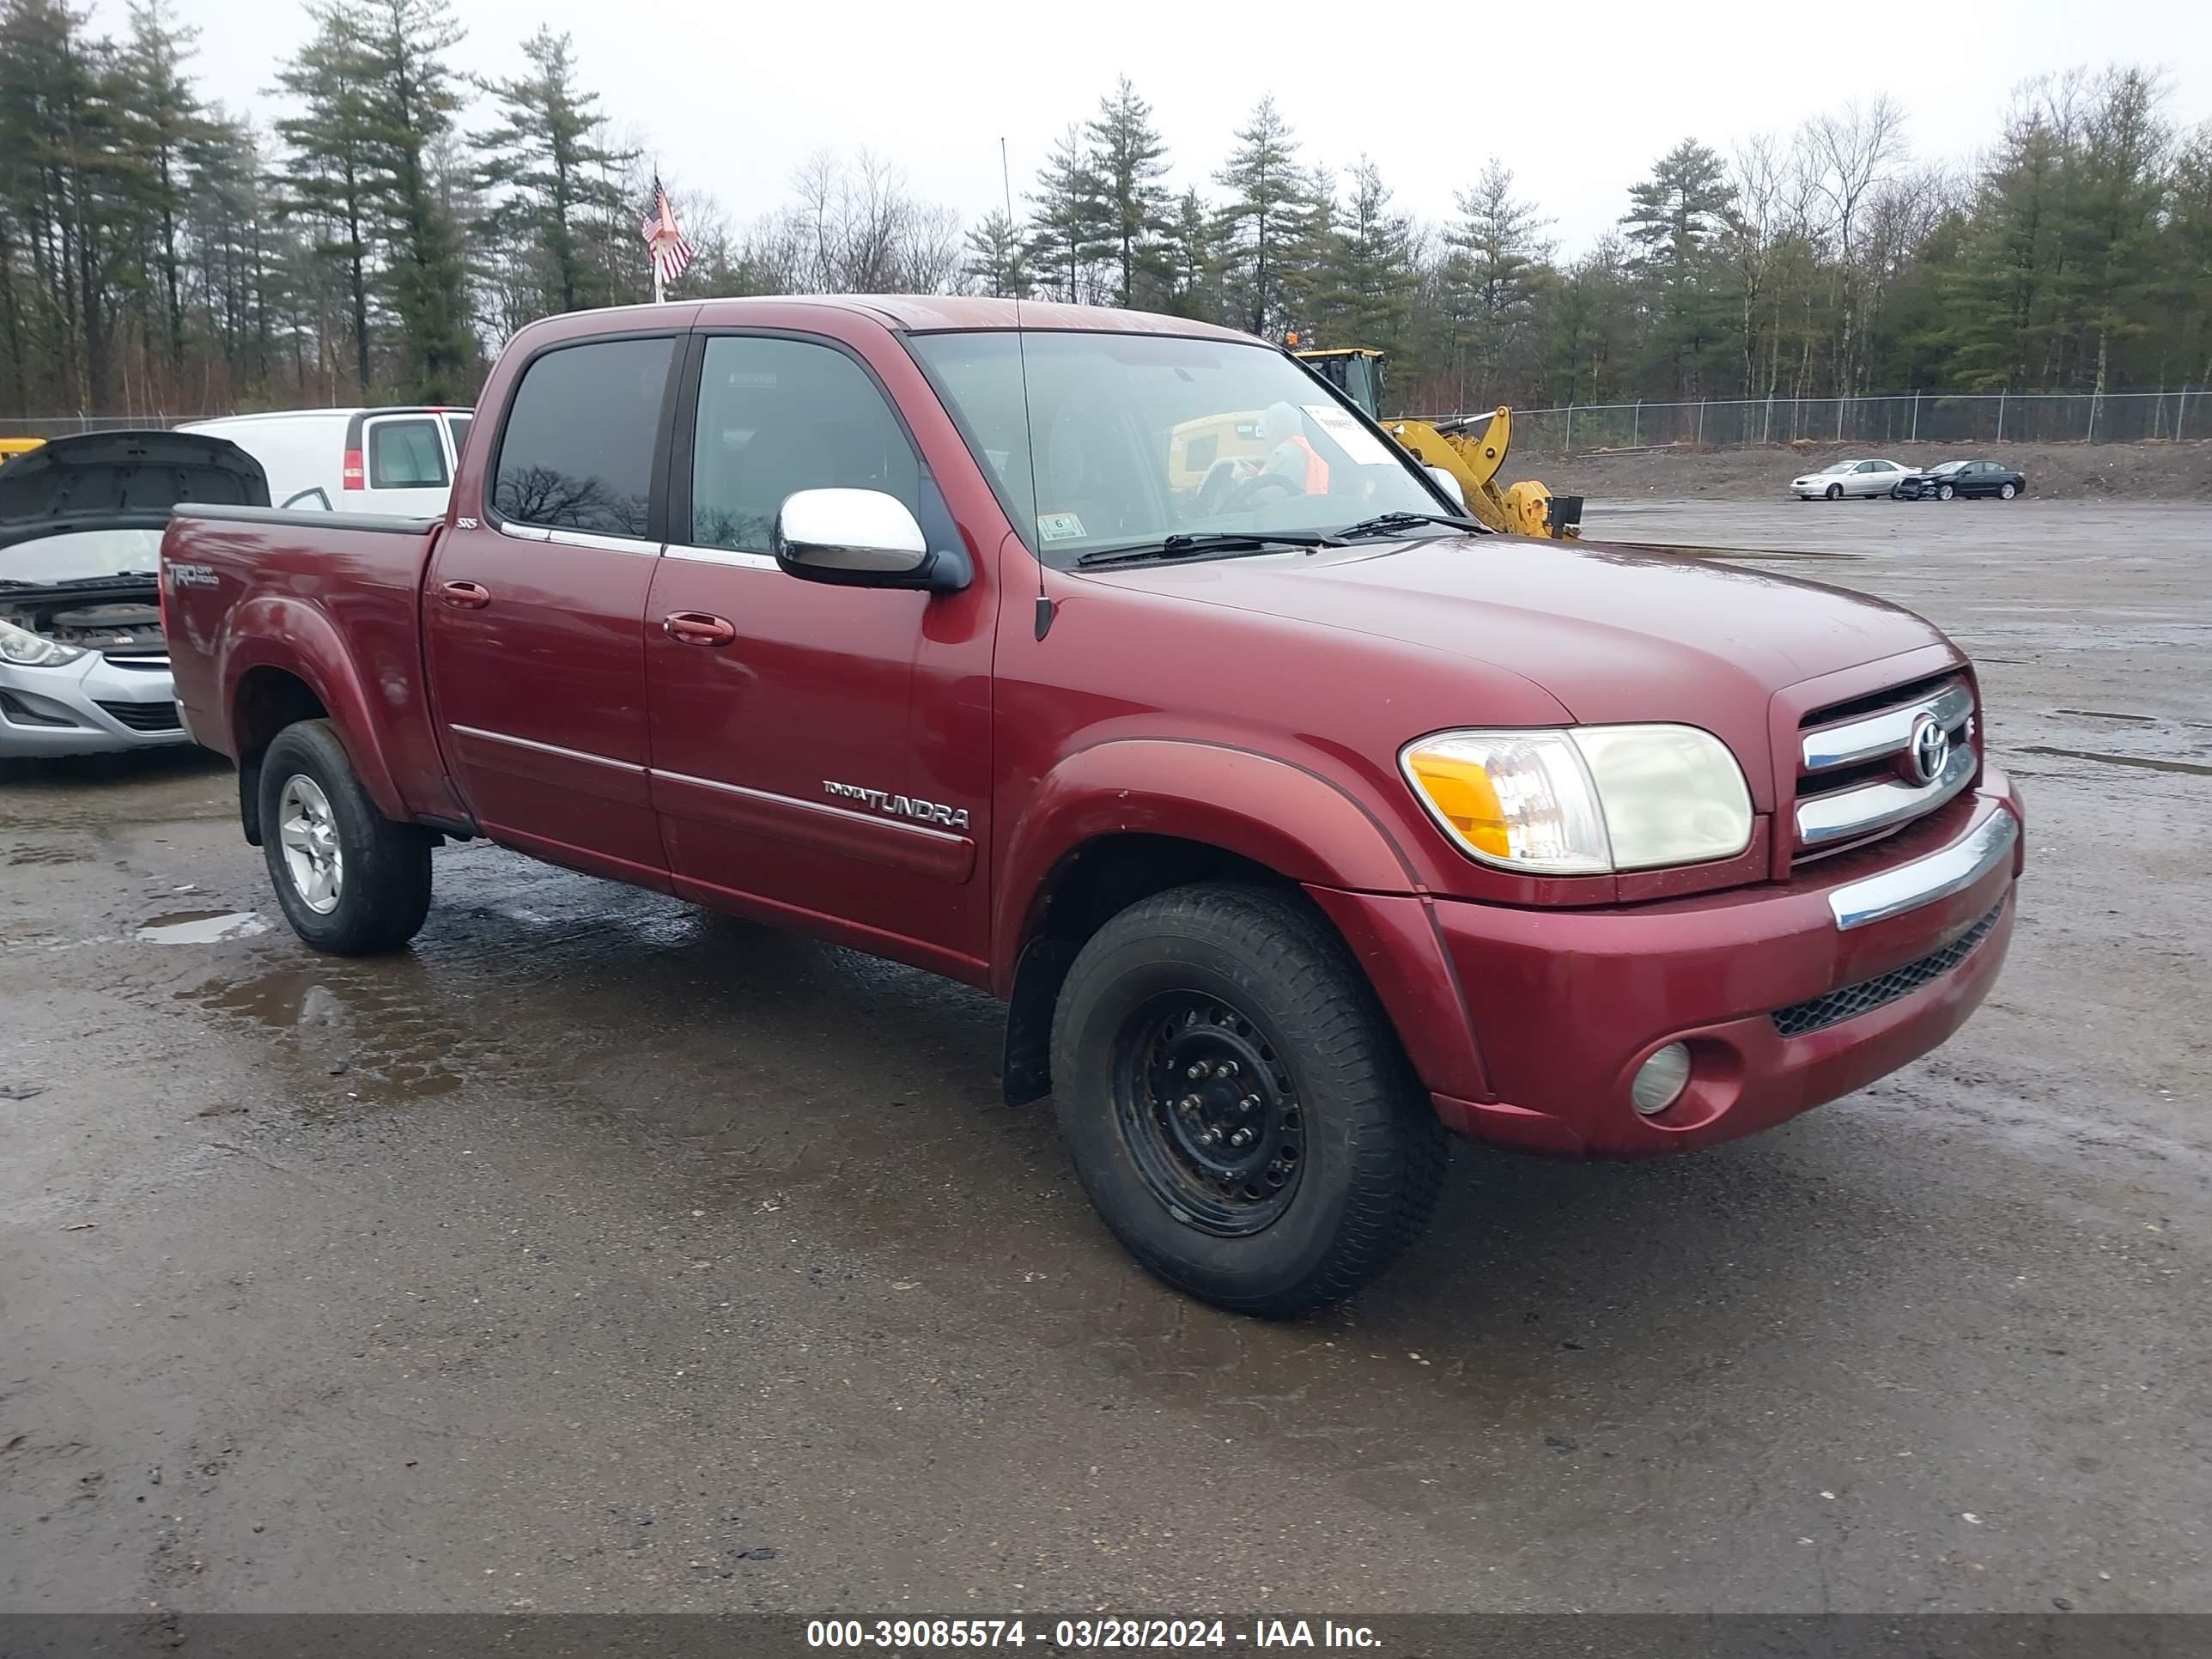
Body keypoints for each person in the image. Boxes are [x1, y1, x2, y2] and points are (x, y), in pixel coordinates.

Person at [1258, 402, 1328, 495]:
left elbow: (1265, 496)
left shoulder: (1284, 454)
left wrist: (1242, 477)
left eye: (1266, 428)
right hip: (1313, 505)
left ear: (1278, 426)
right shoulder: (1312, 448)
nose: (1265, 437)